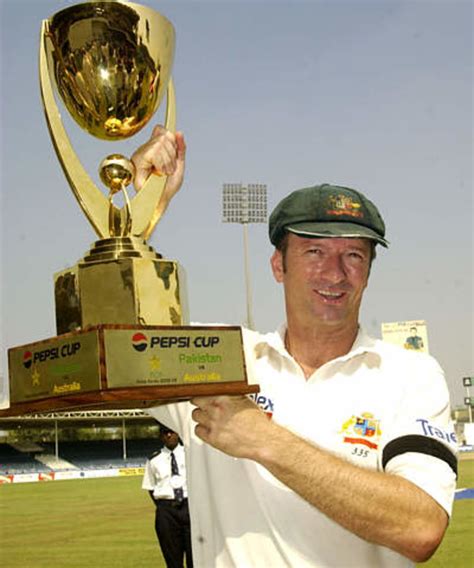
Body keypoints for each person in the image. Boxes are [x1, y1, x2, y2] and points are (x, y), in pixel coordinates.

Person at [132, 127, 457, 567]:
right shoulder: (219, 357)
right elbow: (112, 347)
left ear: (368, 271)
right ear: (277, 265)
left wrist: (266, 441)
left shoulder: (410, 375)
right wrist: (140, 210)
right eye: (314, 252)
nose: (335, 273)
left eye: (354, 256)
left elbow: (420, 528)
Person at [142, 424, 193, 568]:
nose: (169, 435)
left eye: (171, 431)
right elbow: (151, 487)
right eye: (165, 433)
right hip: (166, 512)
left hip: (189, 508)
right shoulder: (153, 459)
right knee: (172, 559)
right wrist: (165, 506)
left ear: (178, 433)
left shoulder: (190, 454)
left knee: (195, 557)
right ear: (161, 436)